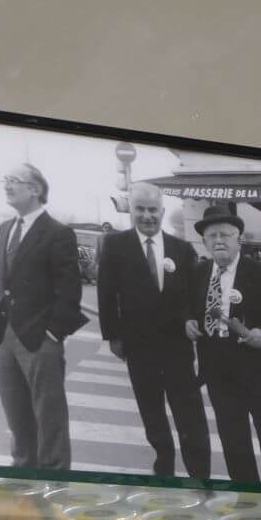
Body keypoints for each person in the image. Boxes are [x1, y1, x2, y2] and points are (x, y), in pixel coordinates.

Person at [95, 183, 210, 480]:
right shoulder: (114, 245)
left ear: (162, 211)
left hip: (177, 349)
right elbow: (106, 294)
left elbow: (189, 296)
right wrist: (113, 336)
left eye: (152, 210)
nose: (147, 216)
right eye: (141, 209)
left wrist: (189, 319)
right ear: (132, 210)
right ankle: (164, 470)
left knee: (190, 416)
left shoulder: (181, 250)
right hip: (139, 347)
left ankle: (200, 476)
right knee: (152, 414)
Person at [185, 207, 261, 484]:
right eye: (212, 236)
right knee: (234, 443)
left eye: (225, 234)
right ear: (204, 242)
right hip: (219, 372)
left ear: (239, 239)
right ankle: (249, 503)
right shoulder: (198, 273)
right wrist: (187, 320)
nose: (219, 240)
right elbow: (187, 306)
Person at [0, 162, 85, 470]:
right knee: (15, 414)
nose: (7, 185)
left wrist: (53, 334)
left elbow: (69, 292)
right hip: (3, 335)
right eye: (6, 179)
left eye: (14, 180)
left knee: (49, 416)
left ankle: (54, 480)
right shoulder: (5, 229)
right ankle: (23, 475)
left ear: (36, 189)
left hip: (40, 338)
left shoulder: (58, 233)